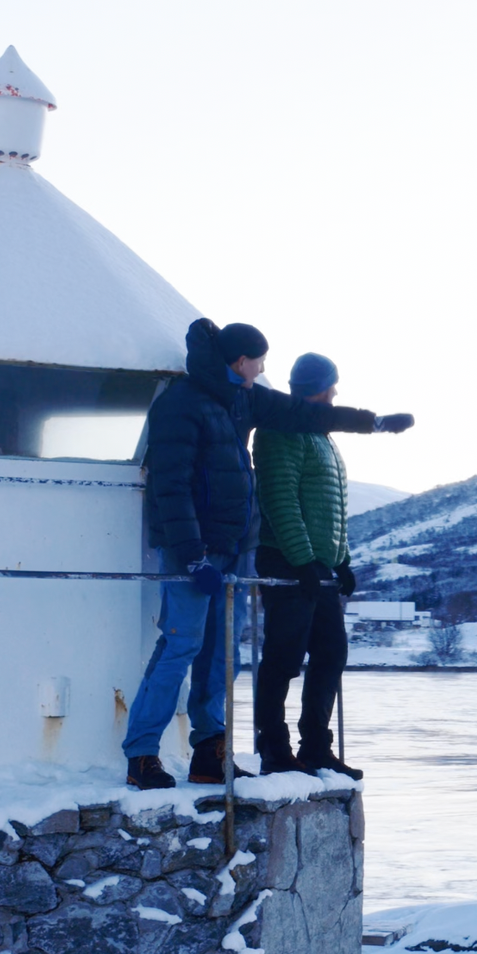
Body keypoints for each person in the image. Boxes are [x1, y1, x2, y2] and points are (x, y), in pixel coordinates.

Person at [124, 321, 413, 790]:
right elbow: (169, 485)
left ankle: (209, 751)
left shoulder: (243, 398)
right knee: (180, 646)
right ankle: (141, 754)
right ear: (241, 362)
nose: (263, 369)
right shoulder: (181, 403)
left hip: (235, 547)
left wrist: (373, 423)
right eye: (259, 361)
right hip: (193, 552)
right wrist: (192, 556)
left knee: (222, 656)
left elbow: (308, 415)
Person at [254, 351, 365, 779]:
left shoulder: (320, 434)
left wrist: (341, 562)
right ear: (319, 389)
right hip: (288, 562)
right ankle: (274, 749)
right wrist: (302, 561)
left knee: (331, 653)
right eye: (332, 386)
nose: (336, 393)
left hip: (318, 568)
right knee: (282, 659)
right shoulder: (279, 430)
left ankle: (316, 746)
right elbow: (280, 500)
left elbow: (330, 507)